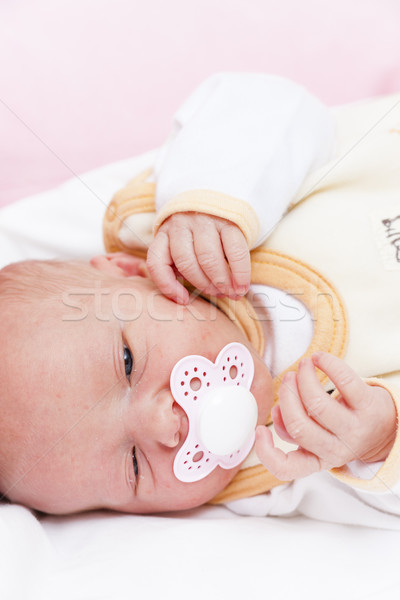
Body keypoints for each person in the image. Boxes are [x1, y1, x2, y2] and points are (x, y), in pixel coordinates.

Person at [0, 74, 399, 525]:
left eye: (128, 362)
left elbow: (268, 101)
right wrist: (378, 446)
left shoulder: (166, 221)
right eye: (134, 466)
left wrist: (211, 200)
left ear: (128, 272)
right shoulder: (272, 472)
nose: (165, 427)